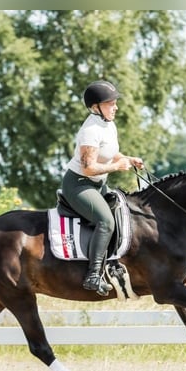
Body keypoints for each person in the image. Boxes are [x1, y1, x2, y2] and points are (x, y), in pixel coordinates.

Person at [62, 80, 144, 296]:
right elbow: (89, 168)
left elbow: (109, 152)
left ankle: (113, 261)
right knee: (105, 221)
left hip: (98, 184)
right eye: (110, 104)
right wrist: (117, 167)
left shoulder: (108, 124)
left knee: (123, 209)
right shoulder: (90, 130)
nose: (115, 107)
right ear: (95, 107)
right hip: (79, 185)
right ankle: (93, 275)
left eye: (115, 103)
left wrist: (127, 158)